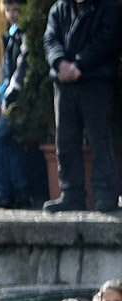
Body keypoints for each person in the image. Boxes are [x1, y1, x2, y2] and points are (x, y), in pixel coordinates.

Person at [41, 0, 121, 213]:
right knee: (66, 141)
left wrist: (79, 65)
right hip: (64, 84)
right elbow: (50, 39)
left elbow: (108, 41)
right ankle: (71, 195)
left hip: (96, 81)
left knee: (100, 140)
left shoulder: (109, 7)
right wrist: (60, 63)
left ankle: (106, 196)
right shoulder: (59, 8)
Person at [0, 0, 28, 210]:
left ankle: (2, 192)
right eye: (9, 10)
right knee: (11, 147)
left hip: (16, 100)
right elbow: (4, 71)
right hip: (5, 98)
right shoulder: (11, 34)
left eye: (16, 10)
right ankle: (19, 193)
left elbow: (21, 67)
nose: (12, 14)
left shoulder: (23, 34)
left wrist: (11, 95)